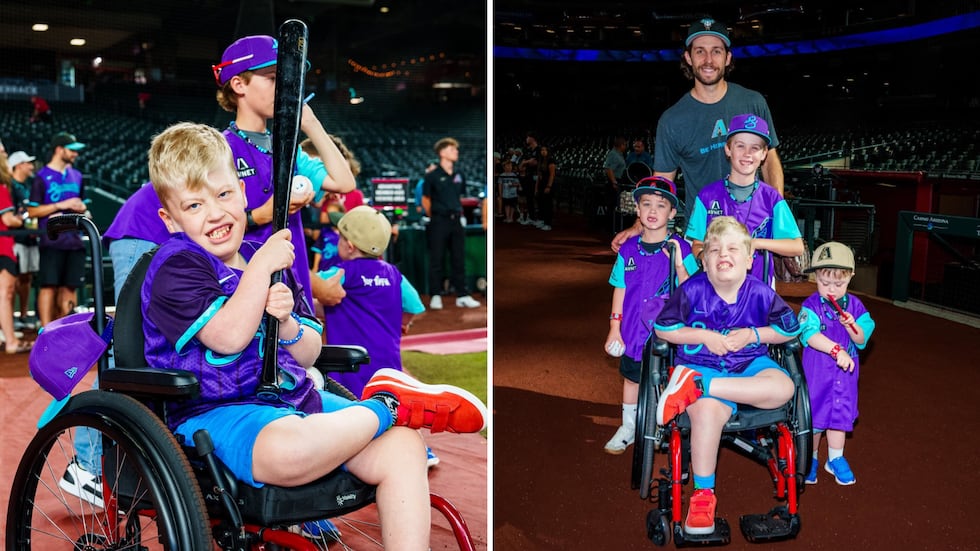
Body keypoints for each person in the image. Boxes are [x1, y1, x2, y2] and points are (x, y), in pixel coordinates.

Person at [142, 122, 486, 548]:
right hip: (218, 413)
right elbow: (228, 338)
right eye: (194, 206)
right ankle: (391, 405)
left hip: (293, 398)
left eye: (224, 194)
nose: (215, 213)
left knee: (404, 447)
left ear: (244, 193)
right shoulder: (178, 265)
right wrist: (259, 273)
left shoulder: (263, 255)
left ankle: (390, 413)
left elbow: (309, 352)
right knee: (293, 451)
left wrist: (286, 325)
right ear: (170, 219)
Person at [653, 215, 801, 536]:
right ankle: (704, 494)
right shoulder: (692, 290)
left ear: (749, 260)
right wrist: (702, 336)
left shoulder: (760, 292)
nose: (724, 254)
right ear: (703, 261)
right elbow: (664, 328)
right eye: (715, 249)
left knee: (785, 387)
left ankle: (699, 387)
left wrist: (753, 335)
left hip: (748, 363)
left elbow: (790, 329)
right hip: (701, 360)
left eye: (733, 248)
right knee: (707, 411)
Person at [613, 17, 784, 249]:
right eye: (700, 51)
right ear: (688, 57)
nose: (708, 60)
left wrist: (777, 212)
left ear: (728, 58)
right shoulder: (672, 120)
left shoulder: (753, 102)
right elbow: (663, 181)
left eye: (716, 51)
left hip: (753, 232)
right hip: (703, 239)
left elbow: (770, 160)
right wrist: (639, 223)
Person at [213, 34, 356, 306]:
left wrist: (311, 124)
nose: (285, 88)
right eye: (273, 78)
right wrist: (261, 215)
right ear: (239, 84)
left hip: (294, 277)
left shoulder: (288, 147)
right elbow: (208, 225)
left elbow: (344, 182)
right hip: (243, 282)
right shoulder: (218, 148)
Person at [602, 176, 696, 454]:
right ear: (638, 210)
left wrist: (678, 264)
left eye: (661, 205)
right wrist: (614, 327)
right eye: (646, 204)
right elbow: (619, 289)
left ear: (672, 212)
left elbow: (693, 290)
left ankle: (660, 423)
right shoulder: (628, 249)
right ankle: (629, 426)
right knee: (632, 378)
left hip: (670, 330)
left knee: (667, 378)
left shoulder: (681, 247)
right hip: (632, 328)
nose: (653, 211)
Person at [684, 114, 804, 287]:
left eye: (755, 148)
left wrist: (756, 243)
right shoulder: (707, 196)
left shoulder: (771, 198)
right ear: (728, 149)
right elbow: (697, 244)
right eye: (740, 146)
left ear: (764, 154)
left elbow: (796, 246)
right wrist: (706, 257)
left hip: (758, 289)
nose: (747, 154)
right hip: (714, 288)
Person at [322, 205, 425, 396]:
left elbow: (310, 286)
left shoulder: (343, 272)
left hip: (350, 369)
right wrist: (405, 322)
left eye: (341, 236)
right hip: (388, 368)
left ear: (350, 246)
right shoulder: (394, 274)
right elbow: (414, 305)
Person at [798, 242, 875, 486]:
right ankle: (811, 458)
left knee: (839, 416)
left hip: (845, 376)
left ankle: (835, 458)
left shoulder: (856, 307)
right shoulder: (811, 306)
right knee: (816, 418)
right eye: (824, 282)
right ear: (816, 278)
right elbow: (808, 333)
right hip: (817, 373)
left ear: (850, 278)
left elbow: (862, 339)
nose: (831, 289)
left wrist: (852, 325)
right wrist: (836, 349)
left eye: (838, 284)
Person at [27, 132, 90, 329]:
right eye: (72, 150)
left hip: (74, 241)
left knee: (70, 287)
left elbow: (85, 207)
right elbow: (32, 210)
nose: (75, 154)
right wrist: (61, 205)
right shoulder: (41, 177)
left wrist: (84, 211)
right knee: (48, 286)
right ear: (59, 150)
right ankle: (45, 331)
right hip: (51, 241)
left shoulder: (77, 176)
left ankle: (67, 330)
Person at [421, 137, 480, 309]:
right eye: (453, 149)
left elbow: (459, 196)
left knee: (458, 259)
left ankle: (462, 294)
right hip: (439, 221)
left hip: (456, 221)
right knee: (436, 259)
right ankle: (435, 295)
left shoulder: (460, 175)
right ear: (442, 152)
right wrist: (436, 216)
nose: (456, 152)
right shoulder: (431, 176)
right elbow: (426, 200)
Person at [0, 152, 30, 353]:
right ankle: (10, 341)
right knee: (6, 293)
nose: (5, 154)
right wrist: (21, 219)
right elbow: (9, 221)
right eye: (2, 152)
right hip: (3, 245)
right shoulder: (2, 188)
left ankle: (9, 338)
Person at [8, 150, 40, 331]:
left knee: (26, 278)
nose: (31, 166)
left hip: (30, 238)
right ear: (19, 165)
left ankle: (23, 315)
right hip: (14, 240)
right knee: (13, 280)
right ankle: (11, 317)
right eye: (28, 163)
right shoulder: (9, 186)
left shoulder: (27, 186)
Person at [536, 145, 556, 231]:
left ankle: (548, 223)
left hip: (548, 184)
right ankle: (543, 221)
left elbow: (552, 175)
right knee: (541, 203)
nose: (543, 152)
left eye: (545, 150)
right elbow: (539, 176)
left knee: (548, 204)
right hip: (541, 184)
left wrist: (549, 186)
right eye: (542, 150)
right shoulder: (540, 161)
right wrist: (536, 187)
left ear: (548, 151)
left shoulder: (551, 161)